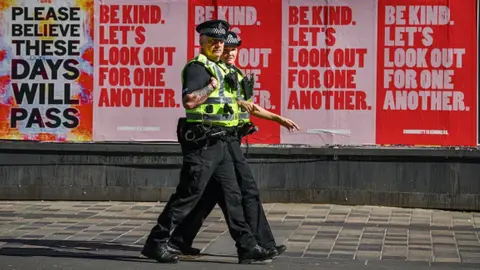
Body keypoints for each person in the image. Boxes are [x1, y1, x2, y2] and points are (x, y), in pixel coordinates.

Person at [141, 20, 273, 264]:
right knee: (189, 194)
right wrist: (211, 87)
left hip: (221, 141)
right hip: (203, 142)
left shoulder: (220, 68)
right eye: (212, 41)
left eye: (221, 42)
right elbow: (190, 101)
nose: (218, 46)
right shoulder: (198, 67)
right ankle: (157, 242)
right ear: (201, 42)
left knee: (232, 196)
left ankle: (247, 246)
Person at [169, 31, 299, 258]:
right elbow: (200, 100)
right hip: (216, 141)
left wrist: (275, 119)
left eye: (232, 49)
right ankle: (256, 244)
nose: (229, 53)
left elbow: (247, 106)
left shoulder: (234, 74)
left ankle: (180, 239)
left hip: (228, 140)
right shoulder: (208, 70)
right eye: (225, 49)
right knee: (240, 192)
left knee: (212, 195)